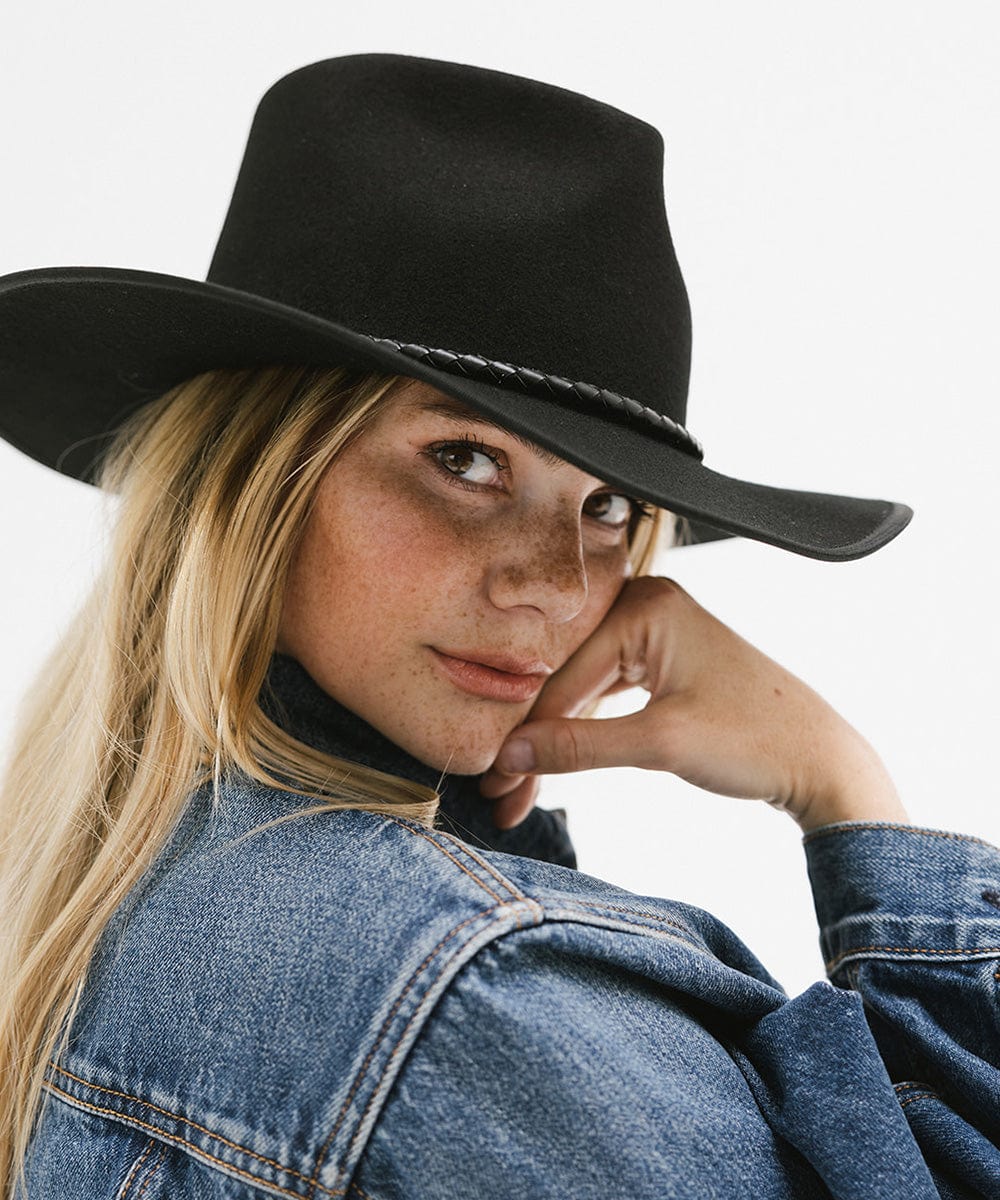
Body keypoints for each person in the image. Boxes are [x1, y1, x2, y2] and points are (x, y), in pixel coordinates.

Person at [0, 53, 997, 1200]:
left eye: (608, 505)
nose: (555, 588)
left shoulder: (101, 882)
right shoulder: (451, 984)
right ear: (254, 483)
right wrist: (844, 788)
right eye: (463, 461)